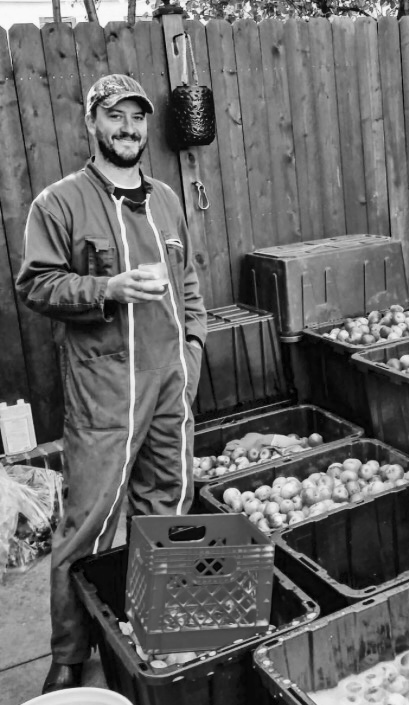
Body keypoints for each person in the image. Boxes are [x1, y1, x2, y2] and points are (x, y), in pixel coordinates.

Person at [15, 74, 207, 693]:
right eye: (115, 117)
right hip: (104, 390)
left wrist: (194, 351)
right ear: (92, 122)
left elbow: (192, 282)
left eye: (137, 118)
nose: (128, 129)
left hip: (171, 385)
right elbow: (36, 284)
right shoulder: (59, 203)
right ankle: (71, 654)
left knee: (167, 508)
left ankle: (156, 628)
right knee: (89, 525)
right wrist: (108, 289)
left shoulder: (168, 200)